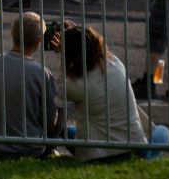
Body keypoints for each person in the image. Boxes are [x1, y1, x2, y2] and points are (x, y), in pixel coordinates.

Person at [0, 11, 63, 157]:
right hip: (30, 149)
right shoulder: (42, 73)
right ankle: (50, 149)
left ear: (12, 33)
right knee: (60, 106)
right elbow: (51, 122)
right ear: (39, 41)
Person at [57, 23, 149, 161]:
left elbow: (59, 93)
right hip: (135, 146)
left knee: (64, 130)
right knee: (162, 132)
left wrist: (63, 57)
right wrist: (78, 32)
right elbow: (97, 49)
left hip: (100, 155)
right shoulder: (116, 63)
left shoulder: (78, 85)